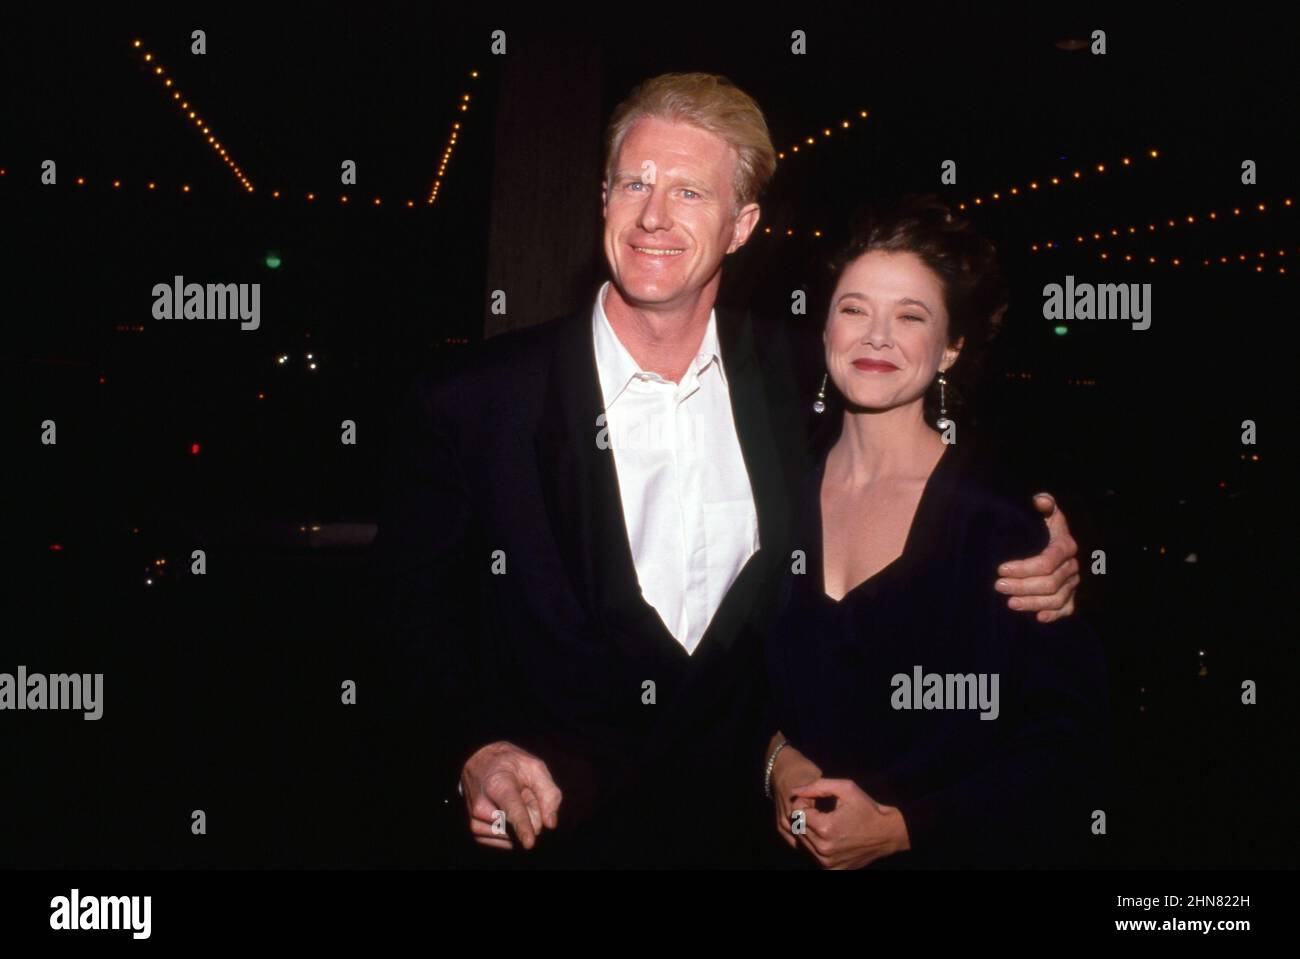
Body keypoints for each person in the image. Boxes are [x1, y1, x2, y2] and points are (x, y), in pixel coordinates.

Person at [374, 74, 1081, 868]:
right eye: (635, 183)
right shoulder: (472, 401)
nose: (654, 215)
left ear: (741, 225)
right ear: (603, 197)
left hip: (744, 841)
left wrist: (1039, 534)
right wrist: (474, 747)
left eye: (689, 191)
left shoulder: (795, 378)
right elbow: (407, 617)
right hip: (551, 839)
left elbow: (916, 453)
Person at [762, 195, 1109, 869]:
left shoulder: (1002, 524)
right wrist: (777, 760)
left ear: (951, 349)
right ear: (826, 327)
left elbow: (1068, 747)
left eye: (910, 316)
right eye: (854, 307)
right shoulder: (771, 493)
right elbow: (729, 680)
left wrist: (903, 828)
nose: (876, 335)